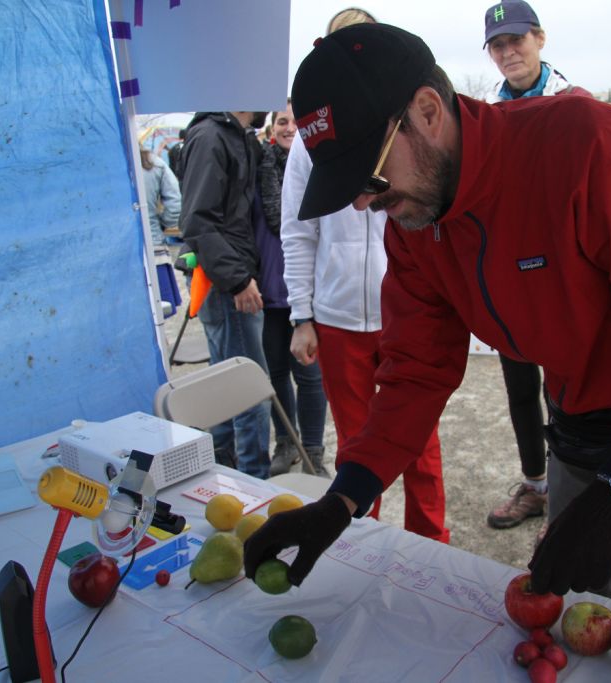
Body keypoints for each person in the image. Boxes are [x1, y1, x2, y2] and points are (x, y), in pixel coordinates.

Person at [246, 23, 611, 622]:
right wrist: (344, 497)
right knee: (573, 615)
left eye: (370, 176)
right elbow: (416, 372)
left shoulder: (585, 148)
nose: (364, 204)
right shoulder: (417, 221)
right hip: (576, 421)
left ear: (427, 111)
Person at [280, 7, 449, 542]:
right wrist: (302, 314)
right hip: (337, 318)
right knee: (357, 443)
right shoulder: (312, 141)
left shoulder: (401, 124)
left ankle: (430, 543)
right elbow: (298, 230)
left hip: (403, 313)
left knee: (419, 442)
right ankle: (361, 544)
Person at [480, 0, 592, 531]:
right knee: (521, 389)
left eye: (516, 41)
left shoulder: (574, 102)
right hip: (510, 277)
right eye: (498, 45)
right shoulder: (484, 112)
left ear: (540, 39)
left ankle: (576, 495)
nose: (508, 53)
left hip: (567, 277)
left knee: (571, 390)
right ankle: (537, 485)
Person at [179, 110, 272, 479]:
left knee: (226, 384)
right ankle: (254, 484)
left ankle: (225, 473)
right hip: (228, 286)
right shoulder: (211, 136)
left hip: (229, 279)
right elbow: (197, 221)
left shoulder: (234, 135)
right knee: (250, 390)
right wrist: (237, 280)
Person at [256, 103, 329, 477]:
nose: (290, 128)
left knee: (312, 377)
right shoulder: (259, 169)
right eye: (282, 122)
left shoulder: (318, 166)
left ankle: (313, 452)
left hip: (307, 293)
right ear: (272, 130)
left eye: (295, 122)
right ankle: (286, 442)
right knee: (276, 372)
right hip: (270, 293)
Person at [139, 146, 182, 317]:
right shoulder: (153, 162)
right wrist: (161, 224)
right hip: (153, 246)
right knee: (159, 315)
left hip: (120, 255)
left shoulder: (103, 165)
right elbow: (175, 204)